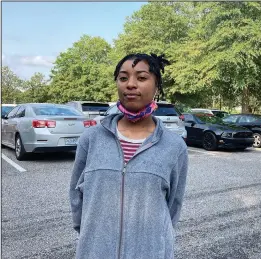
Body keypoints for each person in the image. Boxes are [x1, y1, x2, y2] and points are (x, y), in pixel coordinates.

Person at [69, 53, 188, 259]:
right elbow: (76, 194)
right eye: (123, 78)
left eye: (141, 78)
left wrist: (155, 239)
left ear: (157, 86)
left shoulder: (174, 146)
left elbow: (173, 206)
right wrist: (93, 235)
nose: (130, 84)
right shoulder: (91, 138)